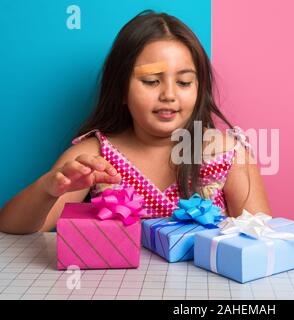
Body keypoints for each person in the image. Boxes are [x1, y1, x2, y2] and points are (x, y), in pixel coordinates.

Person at [0, 10, 271, 235]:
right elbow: (12, 229)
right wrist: (48, 189)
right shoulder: (94, 157)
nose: (168, 95)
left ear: (199, 89)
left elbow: (262, 236)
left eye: (184, 82)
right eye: (151, 81)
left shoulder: (228, 154)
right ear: (121, 90)